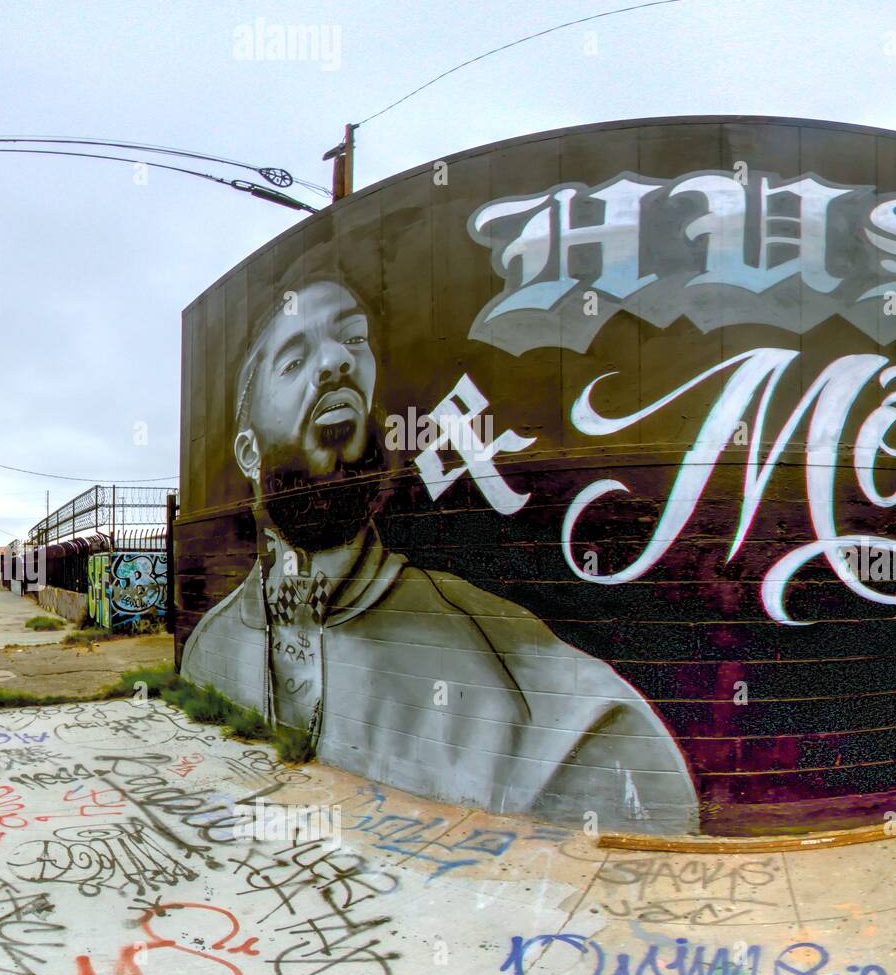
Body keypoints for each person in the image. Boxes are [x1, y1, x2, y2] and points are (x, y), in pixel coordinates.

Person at [178, 254, 699, 834]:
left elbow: (644, 804)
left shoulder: (513, 668)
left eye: (354, 337)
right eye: (295, 359)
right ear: (247, 453)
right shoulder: (209, 646)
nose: (337, 360)